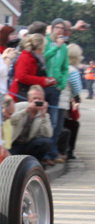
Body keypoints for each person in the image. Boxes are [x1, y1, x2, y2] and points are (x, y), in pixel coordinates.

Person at [43, 19, 69, 161]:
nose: (59, 30)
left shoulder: (64, 47)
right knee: (42, 119)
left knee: (53, 122)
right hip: (43, 85)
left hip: (55, 88)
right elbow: (43, 58)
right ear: (52, 28)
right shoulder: (46, 42)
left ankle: (50, 154)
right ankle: (44, 154)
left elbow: (65, 67)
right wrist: (55, 48)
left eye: (62, 29)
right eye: (57, 28)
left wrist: (62, 84)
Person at [8, 85, 53, 163]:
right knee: (11, 162)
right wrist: (26, 111)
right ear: (29, 99)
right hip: (13, 143)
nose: (37, 101)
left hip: (27, 143)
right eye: (34, 98)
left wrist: (44, 116)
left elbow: (48, 134)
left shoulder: (43, 114)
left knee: (46, 142)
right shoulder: (20, 106)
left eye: (40, 99)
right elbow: (11, 120)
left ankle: (35, 163)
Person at [9, 33, 56, 102]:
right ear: (39, 48)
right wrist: (42, 81)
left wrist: (48, 81)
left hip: (29, 93)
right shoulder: (25, 57)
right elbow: (21, 76)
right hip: (22, 94)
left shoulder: (34, 58)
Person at [58, 44, 83, 160]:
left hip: (56, 100)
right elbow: (77, 89)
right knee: (71, 125)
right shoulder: (72, 71)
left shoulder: (60, 66)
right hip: (63, 103)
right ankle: (67, 151)